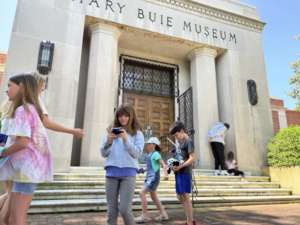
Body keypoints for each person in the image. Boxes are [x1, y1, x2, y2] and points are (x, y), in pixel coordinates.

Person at [0, 73, 53, 225]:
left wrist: (1, 152)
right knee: (8, 218)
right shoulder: (28, 109)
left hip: (27, 170)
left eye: (9, 85)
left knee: (15, 220)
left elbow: (23, 142)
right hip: (25, 170)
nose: (7, 90)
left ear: (21, 86)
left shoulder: (23, 110)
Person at [101, 103, 144, 225]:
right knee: (111, 211)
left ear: (131, 116)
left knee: (125, 210)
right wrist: (108, 141)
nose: (123, 118)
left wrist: (126, 139)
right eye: (120, 115)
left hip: (128, 174)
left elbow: (136, 154)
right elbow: (103, 154)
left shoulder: (137, 134)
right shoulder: (110, 133)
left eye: (126, 115)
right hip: (111, 173)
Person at [30, 72, 85, 138]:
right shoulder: (36, 100)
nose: (43, 89)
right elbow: (47, 124)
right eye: (42, 86)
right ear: (35, 85)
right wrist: (72, 131)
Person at [135, 137, 169, 223]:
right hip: (149, 177)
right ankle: (164, 215)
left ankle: (144, 216)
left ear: (154, 144)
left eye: (149, 143)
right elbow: (150, 167)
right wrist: (142, 170)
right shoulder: (150, 155)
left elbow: (164, 165)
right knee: (153, 197)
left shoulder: (156, 154)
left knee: (142, 193)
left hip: (153, 178)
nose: (147, 144)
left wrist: (166, 175)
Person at [169, 121, 196, 225]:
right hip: (179, 173)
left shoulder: (189, 141)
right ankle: (189, 219)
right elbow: (179, 159)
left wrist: (180, 166)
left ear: (182, 131)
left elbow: (192, 158)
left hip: (185, 172)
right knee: (179, 196)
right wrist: (173, 156)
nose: (176, 138)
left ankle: (190, 222)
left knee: (185, 196)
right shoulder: (180, 145)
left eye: (176, 135)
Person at [0, 100, 13, 214]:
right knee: (11, 194)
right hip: (12, 154)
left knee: (10, 192)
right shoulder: (20, 109)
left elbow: (3, 132)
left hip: (6, 154)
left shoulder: (9, 108)